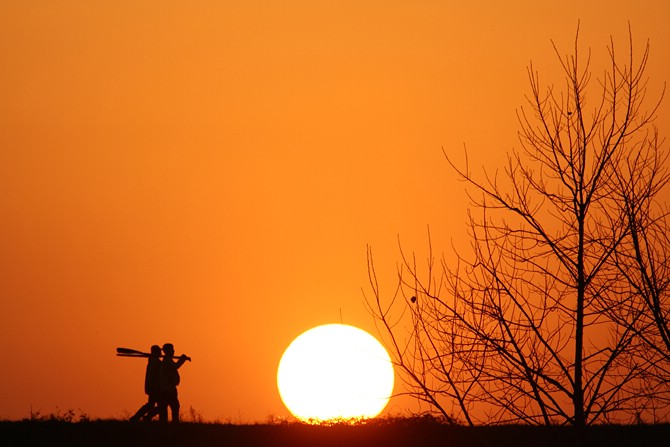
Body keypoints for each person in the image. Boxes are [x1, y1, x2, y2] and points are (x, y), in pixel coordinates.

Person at [157, 343, 190, 423]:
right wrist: (182, 359)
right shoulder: (167, 361)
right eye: (172, 349)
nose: (174, 351)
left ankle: (166, 423)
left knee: (166, 407)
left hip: (169, 388)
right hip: (168, 389)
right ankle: (173, 423)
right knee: (173, 407)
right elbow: (176, 366)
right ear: (168, 351)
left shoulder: (168, 360)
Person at [129, 345, 162, 422]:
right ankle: (142, 417)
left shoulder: (153, 361)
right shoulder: (155, 362)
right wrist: (154, 387)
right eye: (159, 351)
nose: (161, 353)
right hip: (154, 388)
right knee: (160, 406)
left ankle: (138, 417)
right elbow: (153, 376)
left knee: (152, 405)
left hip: (153, 387)